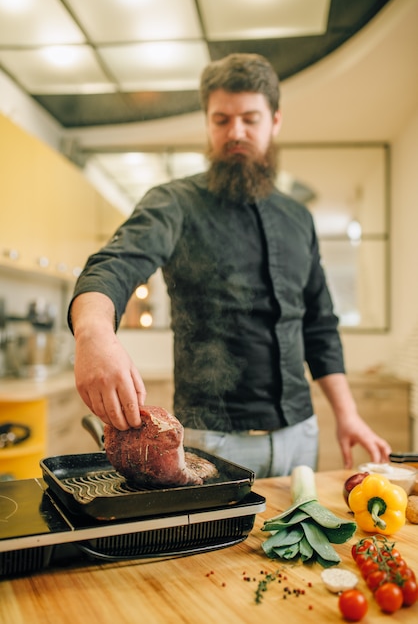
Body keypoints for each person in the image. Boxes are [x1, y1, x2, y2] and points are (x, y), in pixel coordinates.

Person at [68, 53, 391, 477]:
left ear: (275, 121)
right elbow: (116, 263)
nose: (235, 132)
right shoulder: (174, 203)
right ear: (207, 123)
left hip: (299, 434)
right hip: (210, 439)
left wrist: (346, 414)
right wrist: (93, 332)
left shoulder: (299, 218)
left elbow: (320, 327)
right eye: (221, 120)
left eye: (250, 119)